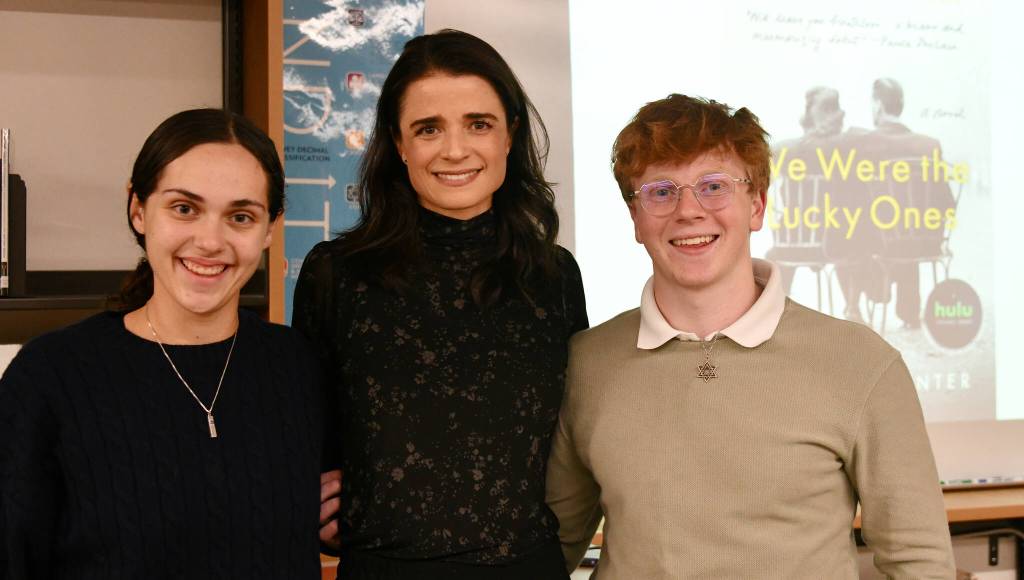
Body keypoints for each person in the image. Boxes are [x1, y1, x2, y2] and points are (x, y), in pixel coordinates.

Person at [545, 94, 955, 578]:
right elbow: (551, 548)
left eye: (714, 186)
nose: (688, 211)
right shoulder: (589, 363)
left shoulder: (862, 362)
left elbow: (919, 562)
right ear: (635, 219)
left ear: (757, 204)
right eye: (660, 191)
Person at [293, 29, 588, 580]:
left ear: (510, 135)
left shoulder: (555, 276)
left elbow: (572, 444)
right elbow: (312, 435)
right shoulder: (337, 274)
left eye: (479, 124)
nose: (455, 150)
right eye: (429, 129)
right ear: (399, 144)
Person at [0, 109, 325, 579]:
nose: (210, 241)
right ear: (138, 209)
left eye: (240, 216)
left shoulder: (298, 367)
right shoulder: (51, 376)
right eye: (184, 208)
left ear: (270, 229)